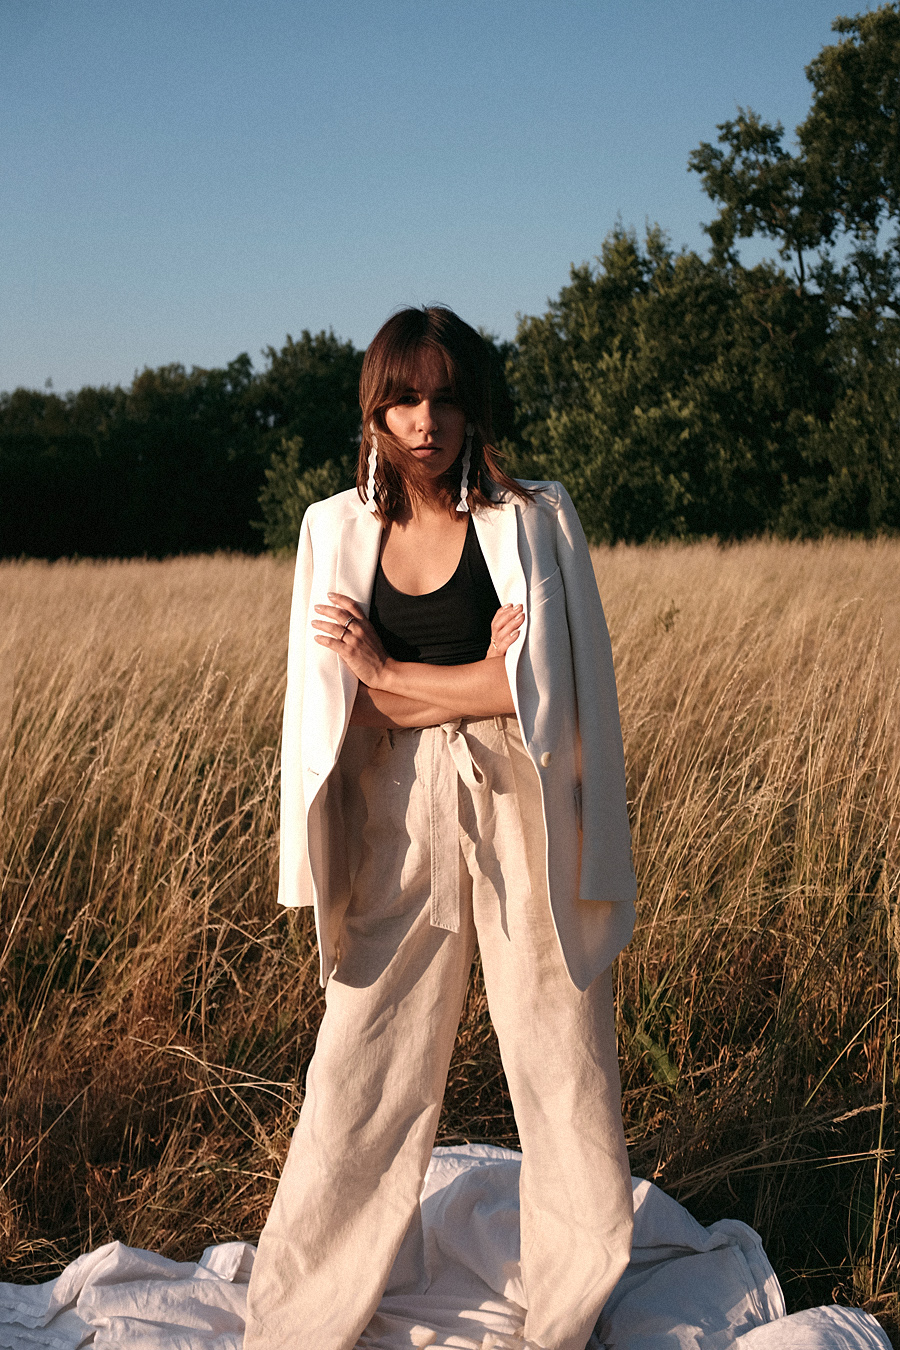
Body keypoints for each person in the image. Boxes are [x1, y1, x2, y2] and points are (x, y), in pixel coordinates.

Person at [244, 307, 638, 1350]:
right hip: (395, 812)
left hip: (527, 802)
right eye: (403, 400)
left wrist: (392, 671)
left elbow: (547, 696)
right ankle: (302, 1311)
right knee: (363, 1055)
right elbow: (341, 707)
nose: (425, 422)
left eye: (446, 398)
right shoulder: (333, 531)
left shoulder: (537, 517)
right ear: (373, 409)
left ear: (474, 407)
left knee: (562, 1054)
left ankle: (571, 1310)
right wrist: (464, 679)